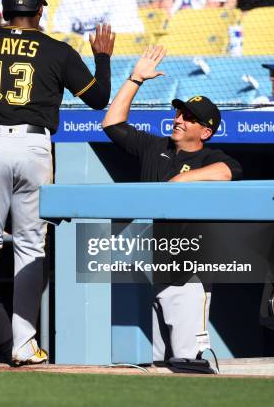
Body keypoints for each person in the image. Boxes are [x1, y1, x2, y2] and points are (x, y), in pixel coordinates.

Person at [0, 0, 114, 364]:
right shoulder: (57, 50)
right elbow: (98, 99)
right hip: (35, 144)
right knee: (30, 244)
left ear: (6, 8)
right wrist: (103, 56)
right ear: (40, 9)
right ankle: (24, 344)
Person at [101, 46, 242, 364]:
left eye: (189, 118)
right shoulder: (155, 146)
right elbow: (111, 124)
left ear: (205, 131)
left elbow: (230, 171)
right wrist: (136, 79)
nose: (179, 120)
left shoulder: (210, 157)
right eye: (179, 113)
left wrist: (180, 181)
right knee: (157, 362)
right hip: (154, 265)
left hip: (189, 273)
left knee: (188, 360)